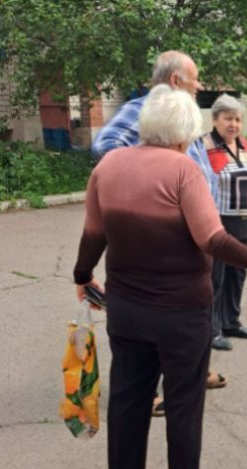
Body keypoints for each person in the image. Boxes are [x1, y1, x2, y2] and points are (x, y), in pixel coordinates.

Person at [73, 85, 247, 469]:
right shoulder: (183, 170)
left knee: (128, 397)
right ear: (186, 131)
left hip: (125, 307)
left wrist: (82, 276)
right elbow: (214, 239)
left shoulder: (108, 166)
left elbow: (93, 234)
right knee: (184, 403)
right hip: (181, 312)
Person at [92, 50, 226, 414]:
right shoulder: (143, 110)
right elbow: (106, 146)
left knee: (195, 309)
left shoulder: (180, 115)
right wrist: (153, 182)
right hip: (165, 239)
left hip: (197, 238)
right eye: (195, 79)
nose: (200, 86)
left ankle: (190, 372)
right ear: (176, 80)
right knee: (158, 312)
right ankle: (148, 390)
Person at [203, 95, 247, 351]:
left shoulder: (244, 145)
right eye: (228, 118)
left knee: (237, 274)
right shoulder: (204, 145)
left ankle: (231, 322)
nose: (233, 124)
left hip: (243, 219)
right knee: (216, 277)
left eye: (237, 119)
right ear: (215, 119)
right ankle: (212, 330)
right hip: (218, 221)